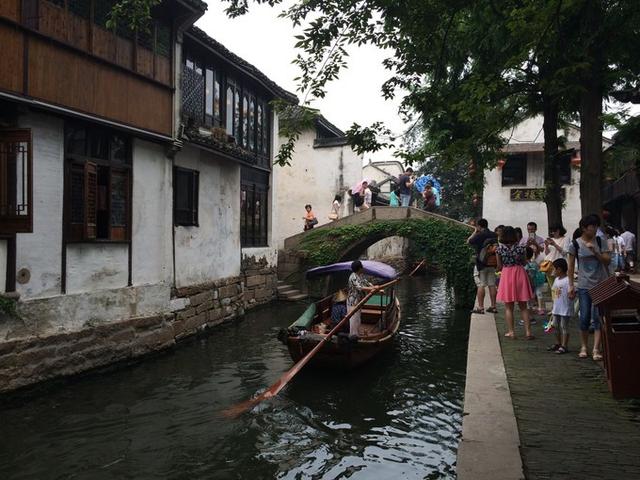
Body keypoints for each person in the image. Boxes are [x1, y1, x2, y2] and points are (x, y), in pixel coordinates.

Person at [567, 214, 611, 361]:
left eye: (596, 226)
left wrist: (596, 252)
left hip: (601, 283)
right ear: (584, 228)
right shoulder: (575, 244)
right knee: (584, 317)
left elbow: (607, 261)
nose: (595, 229)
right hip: (584, 285)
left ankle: (596, 349)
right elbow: (571, 266)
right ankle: (584, 346)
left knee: (598, 317)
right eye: (592, 227)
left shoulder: (600, 240)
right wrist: (571, 285)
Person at [496, 226, 534, 339]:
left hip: (507, 273)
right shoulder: (521, 248)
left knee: (509, 307)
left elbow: (499, 266)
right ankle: (528, 332)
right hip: (519, 272)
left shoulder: (499, 249)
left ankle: (511, 332)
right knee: (523, 306)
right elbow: (524, 262)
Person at [467, 218, 498, 314]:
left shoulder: (479, 234)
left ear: (479, 226)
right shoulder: (494, 234)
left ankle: (480, 307)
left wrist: (475, 232)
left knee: (481, 284)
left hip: (481, 264)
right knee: (492, 284)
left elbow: (468, 242)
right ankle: (493, 306)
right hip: (492, 263)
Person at [548, 258, 573, 354]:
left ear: (559, 269)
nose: (553, 271)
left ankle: (564, 345)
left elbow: (571, 293)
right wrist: (552, 307)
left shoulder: (568, 281)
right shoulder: (556, 280)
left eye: (554, 269)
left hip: (565, 308)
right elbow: (554, 293)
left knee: (564, 326)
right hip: (557, 308)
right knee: (555, 326)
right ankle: (558, 343)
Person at [347, 260, 377, 336]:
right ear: (359, 268)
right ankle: (353, 336)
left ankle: (356, 335)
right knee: (353, 320)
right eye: (362, 267)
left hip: (358, 301)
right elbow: (359, 287)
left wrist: (374, 287)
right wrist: (372, 289)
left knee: (357, 319)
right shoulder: (353, 277)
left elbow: (366, 282)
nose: (363, 268)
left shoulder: (360, 275)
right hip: (352, 302)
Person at [525, 243, 546, 316]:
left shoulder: (531, 263)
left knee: (537, 293)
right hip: (533, 281)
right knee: (533, 295)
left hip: (536, 281)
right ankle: (535, 307)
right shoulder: (531, 263)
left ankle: (539, 308)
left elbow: (533, 272)